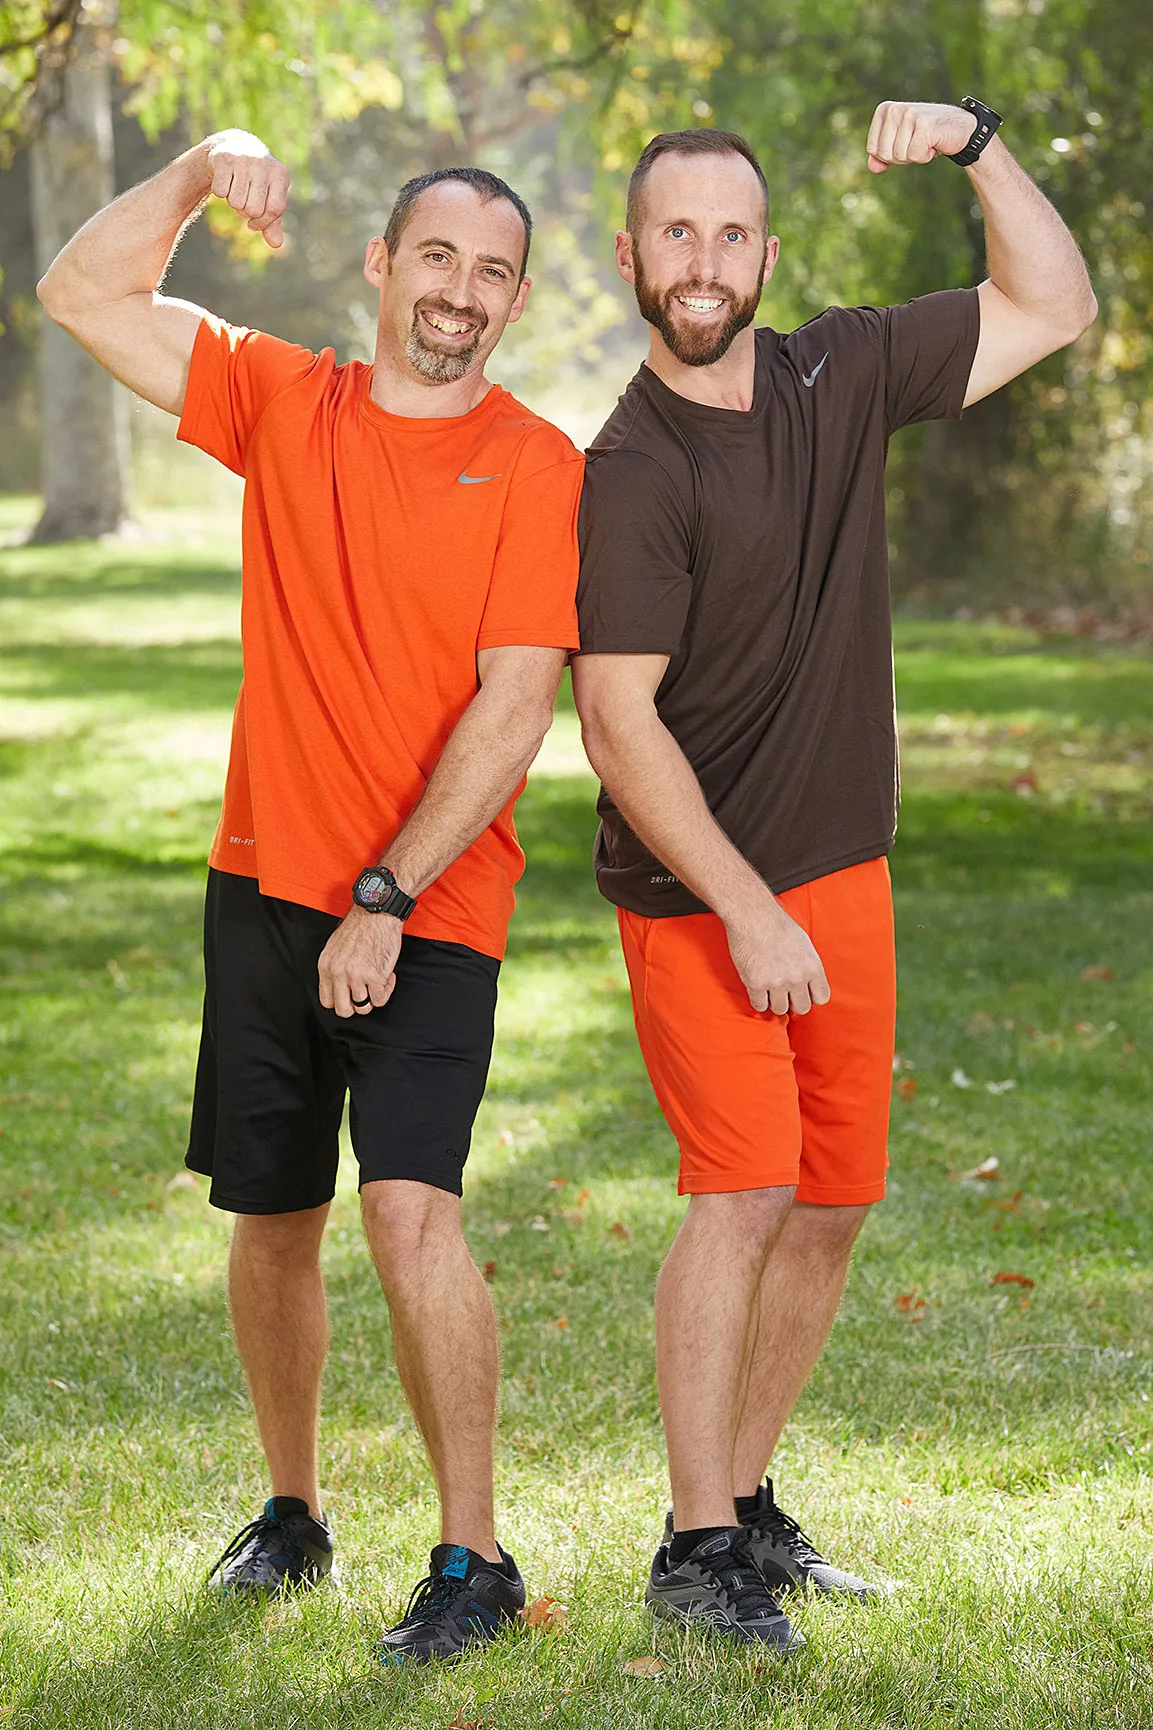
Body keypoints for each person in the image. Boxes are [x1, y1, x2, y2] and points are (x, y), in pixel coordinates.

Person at [37, 130, 584, 1664]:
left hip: (433, 904)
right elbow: (80, 291)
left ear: (518, 300)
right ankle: (293, 1512)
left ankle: (474, 1556)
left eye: (492, 272)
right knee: (272, 1219)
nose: (460, 291)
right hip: (264, 882)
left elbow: (517, 706)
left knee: (412, 1215)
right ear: (380, 266)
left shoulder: (537, 462)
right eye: (436, 257)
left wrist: (388, 893)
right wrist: (199, 171)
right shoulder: (287, 400)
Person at [572, 102, 1095, 1650]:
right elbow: (614, 721)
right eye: (677, 232)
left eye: (731, 232)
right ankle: (693, 1548)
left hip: (842, 875)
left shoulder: (840, 370)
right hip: (699, 893)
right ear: (630, 254)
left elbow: (1057, 303)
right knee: (743, 1189)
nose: (705, 260)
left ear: (768, 252)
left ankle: (743, 1501)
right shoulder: (631, 465)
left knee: (833, 1201)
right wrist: (744, 907)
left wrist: (980, 147)